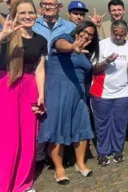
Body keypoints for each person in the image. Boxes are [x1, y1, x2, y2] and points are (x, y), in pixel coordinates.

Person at [0, 0, 46, 192]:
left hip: (29, 86)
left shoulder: (41, 40)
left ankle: (22, 184)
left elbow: (40, 69)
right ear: (14, 16)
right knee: (5, 139)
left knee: (27, 137)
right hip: (5, 86)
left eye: (30, 12)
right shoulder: (6, 35)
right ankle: (0, 185)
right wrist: (3, 35)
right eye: (22, 13)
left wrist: (41, 94)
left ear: (36, 14)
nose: (27, 16)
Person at [38, 21, 98, 184]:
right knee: (57, 129)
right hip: (58, 92)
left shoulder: (86, 52)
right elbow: (60, 45)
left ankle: (80, 163)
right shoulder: (65, 38)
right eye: (84, 31)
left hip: (77, 94)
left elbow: (87, 76)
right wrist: (72, 47)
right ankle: (59, 168)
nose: (86, 35)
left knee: (82, 127)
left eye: (90, 34)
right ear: (77, 30)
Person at [89, 20, 128, 166]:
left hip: (124, 91)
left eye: (122, 34)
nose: (119, 37)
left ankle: (117, 150)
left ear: (126, 33)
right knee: (102, 124)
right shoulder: (102, 45)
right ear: (111, 32)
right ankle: (103, 152)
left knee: (120, 123)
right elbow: (93, 68)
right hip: (102, 91)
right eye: (116, 34)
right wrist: (107, 61)